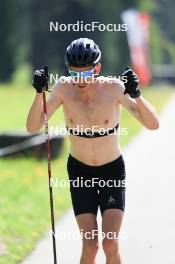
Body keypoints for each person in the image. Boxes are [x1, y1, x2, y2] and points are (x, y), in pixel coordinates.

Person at [26, 38, 159, 264]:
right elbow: (32, 127)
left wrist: (137, 95)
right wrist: (39, 93)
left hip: (111, 171)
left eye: (86, 74)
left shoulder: (114, 88)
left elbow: (153, 124)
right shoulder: (63, 90)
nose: (80, 80)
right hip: (80, 172)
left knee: (109, 243)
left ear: (97, 68)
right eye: (74, 73)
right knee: (90, 244)